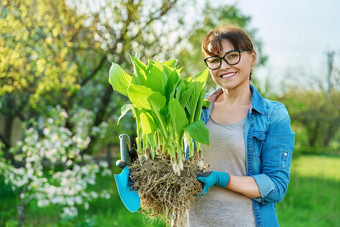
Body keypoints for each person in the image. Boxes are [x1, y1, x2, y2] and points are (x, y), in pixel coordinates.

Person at [186, 25, 295, 227]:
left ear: (252, 58)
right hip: (191, 222)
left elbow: (276, 187)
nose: (224, 66)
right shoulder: (194, 109)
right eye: (215, 60)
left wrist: (222, 179)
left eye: (232, 55)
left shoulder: (272, 115)